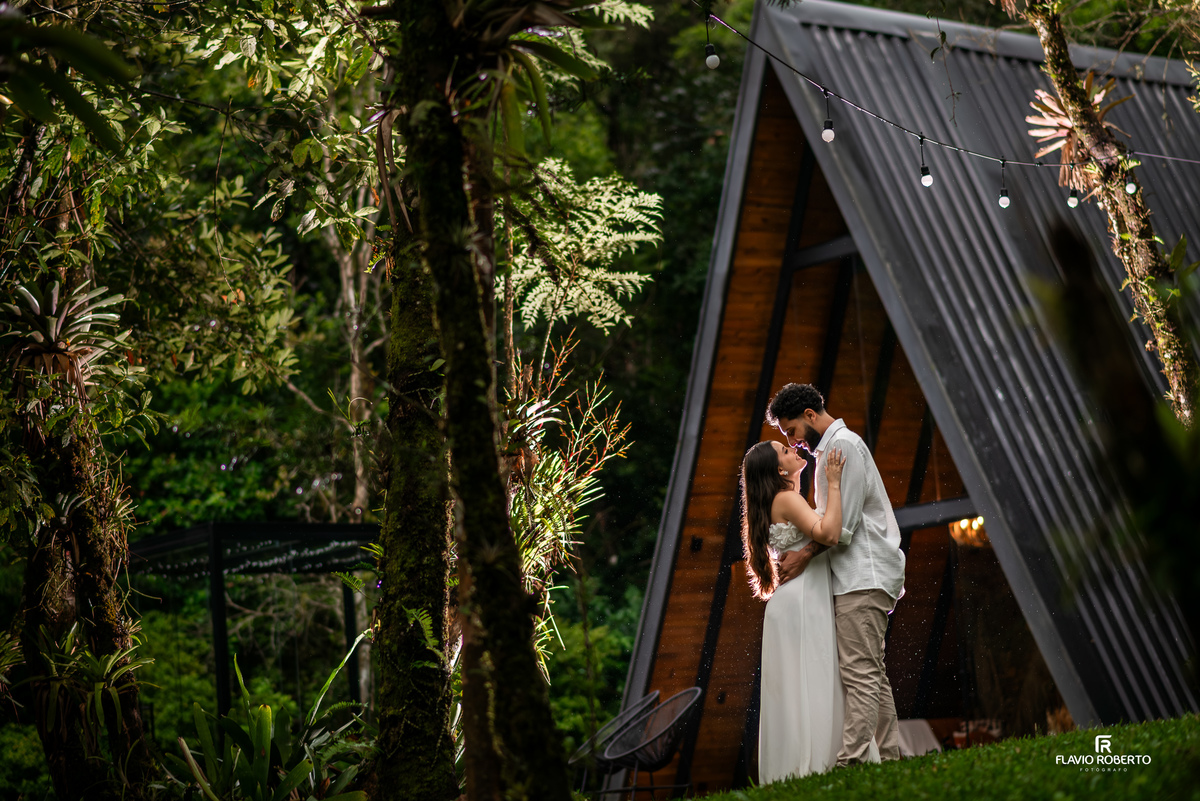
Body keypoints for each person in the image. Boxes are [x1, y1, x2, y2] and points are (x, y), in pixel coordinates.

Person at [767, 382, 905, 767]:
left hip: (864, 572)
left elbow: (842, 529)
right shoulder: (829, 451)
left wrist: (804, 555)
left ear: (810, 416)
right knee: (870, 672)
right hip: (856, 575)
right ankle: (890, 757)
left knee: (859, 671)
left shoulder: (843, 446)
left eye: (791, 431)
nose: (793, 441)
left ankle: (853, 761)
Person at [740, 438, 874, 783]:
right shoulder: (786, 499)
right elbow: (829, 533)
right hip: (802, 603)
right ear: (779, 470)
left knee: (803, 687)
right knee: (815, 679)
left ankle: (809, 767)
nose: (792, 449)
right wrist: (832, 482)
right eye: (784, 451)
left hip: (796, 602)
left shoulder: (780, 501)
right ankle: (818, 766)